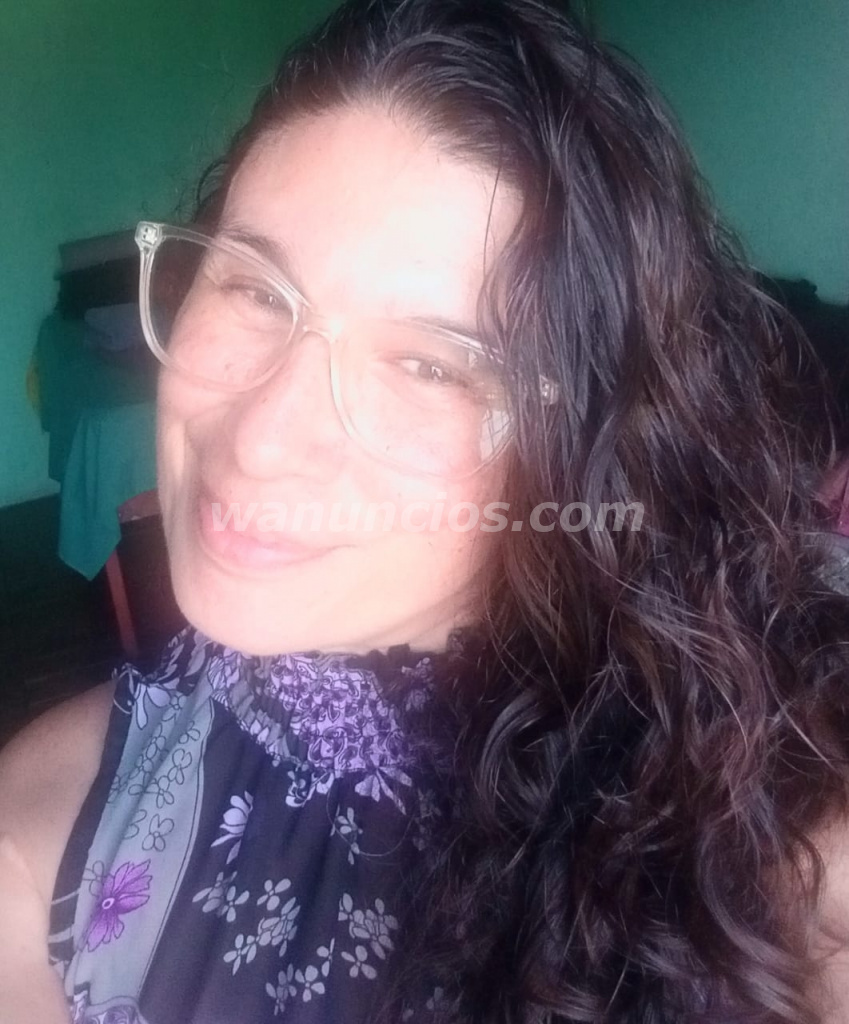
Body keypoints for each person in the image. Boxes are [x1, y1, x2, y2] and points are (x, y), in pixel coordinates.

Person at [3, 0, 849, 1021]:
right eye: (256, 288)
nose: (261, 437)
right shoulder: (69, 796)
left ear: (579, 446)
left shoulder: (771, 872)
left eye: (430, 365)